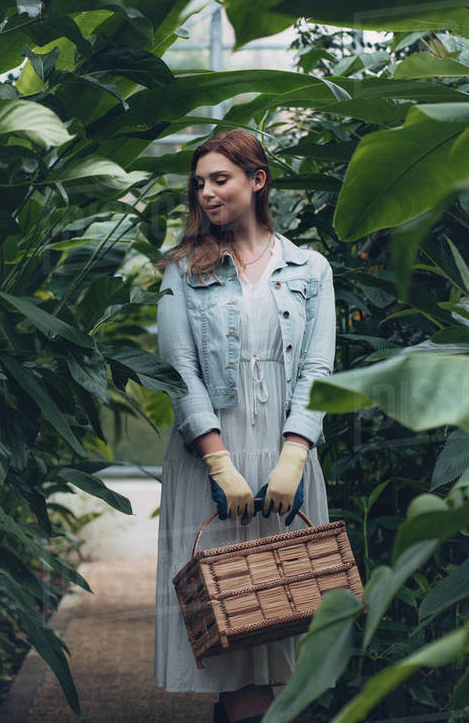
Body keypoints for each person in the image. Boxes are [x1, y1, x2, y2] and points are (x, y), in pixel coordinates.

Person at [151, 129, 336, 723]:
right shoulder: (183, 270)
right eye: (199, 182)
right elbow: (180, 371)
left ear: (257, 181)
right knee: (235, 637)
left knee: (291, 622)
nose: (206, 192)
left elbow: (318, 365)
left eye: (219, 179)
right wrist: (218, 462)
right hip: (215, 461)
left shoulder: (311, 268)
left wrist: (294, 454)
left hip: (286, 460)